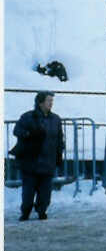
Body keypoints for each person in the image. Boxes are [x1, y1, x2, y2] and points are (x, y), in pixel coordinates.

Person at [13, 91, 65, 221]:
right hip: (31, 161)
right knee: (28, 191)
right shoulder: (28, 117)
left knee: (45, 192)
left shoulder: (55, 119)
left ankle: (42, 211)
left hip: (48, 161)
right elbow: (16, 130)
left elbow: (59, 139)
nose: (51, 103)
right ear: (40, 102)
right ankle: (26, 212)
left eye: (52, 101)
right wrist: (28, 134)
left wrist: (59, 155)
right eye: (49, 101)